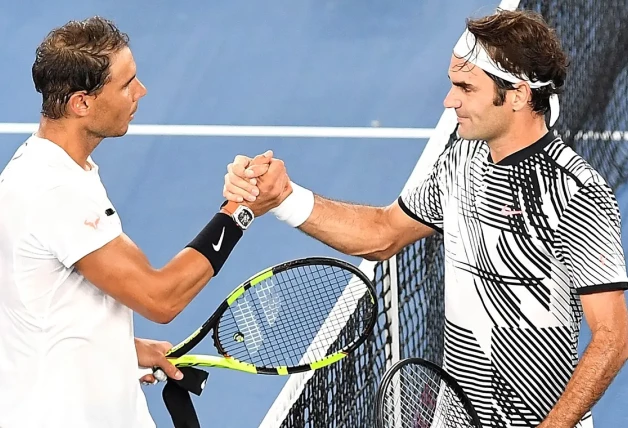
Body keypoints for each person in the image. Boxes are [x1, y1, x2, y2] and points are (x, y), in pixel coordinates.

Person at [222, 9, 628, 428]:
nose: (449, 101)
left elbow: (612, 339)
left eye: (465, 88)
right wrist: (285, 197)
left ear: (518, 95)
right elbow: (382, 234)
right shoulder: (461, 161)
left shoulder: (576, 192)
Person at [0, 16, 262, 428]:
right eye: (126, 85)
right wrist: (240, 211)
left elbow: (37, 307)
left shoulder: (55, 169)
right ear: (81, 103)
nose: (141, 92)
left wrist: (123, 347)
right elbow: (160, 297)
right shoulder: (54, 192)